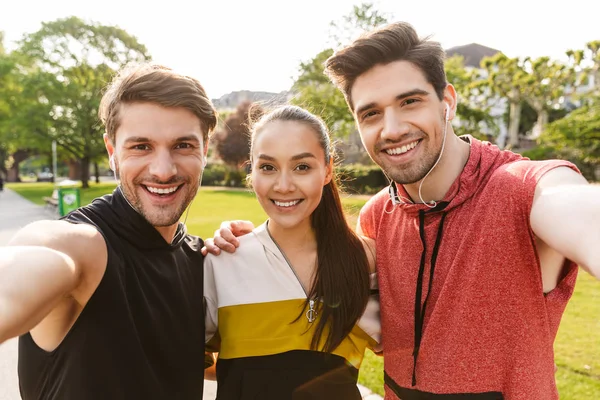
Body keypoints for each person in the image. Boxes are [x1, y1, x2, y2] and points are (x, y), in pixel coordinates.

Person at [205, 22, 600, 400]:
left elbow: (575, 207)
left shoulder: (522, 187)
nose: (391, 128)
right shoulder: (378, 219)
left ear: (447, 101)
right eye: (371, 113)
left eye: (409, 102)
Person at [0, 63, 218, 399]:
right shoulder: (84, 246)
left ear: (206, 149)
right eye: (141, 146)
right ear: (112, 151)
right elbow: (32, 264)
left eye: (183, 145)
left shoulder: (200, 258)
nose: (163, 170)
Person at [203, 105, 380, 399]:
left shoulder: (366, 260)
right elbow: (194, 363)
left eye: (302, 167)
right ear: (252, 171)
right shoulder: (221, 261)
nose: (283, 185)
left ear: (327, 170)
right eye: (268, 167)